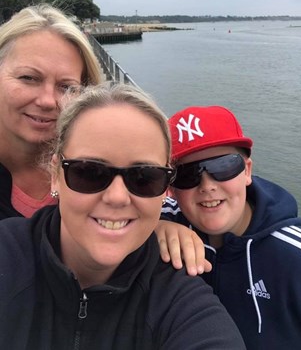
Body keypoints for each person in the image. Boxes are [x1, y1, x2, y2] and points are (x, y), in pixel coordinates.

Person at [0, 84, 245, 349]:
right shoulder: (8, 255)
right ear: (56, 174)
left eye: (145, 178)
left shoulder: (181, 304)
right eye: (89, 172)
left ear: (166, 188)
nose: (117, 197)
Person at [158, 105, 301, 349]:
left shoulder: (299, 261)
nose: (207, 186)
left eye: (223, 166)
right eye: (187, 174)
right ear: (172, 190)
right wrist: (155, 230)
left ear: (247, 171)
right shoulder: (161, 223)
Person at [0, 4, 103, 219]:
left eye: (66, 87)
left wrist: (159, 228)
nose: (47, 101)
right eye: (28, 78)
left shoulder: (102, 166)